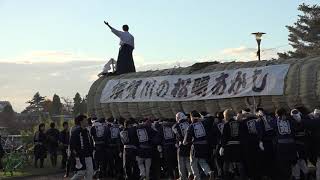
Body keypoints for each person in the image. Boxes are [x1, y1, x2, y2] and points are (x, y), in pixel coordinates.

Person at [183, 110, 214, 180]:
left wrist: (185, 142)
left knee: (193, 162)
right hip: (205, 146)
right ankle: (209, 172)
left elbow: (186, 140)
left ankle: (196, 177)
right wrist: (201, 118)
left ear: (192, 117)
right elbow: (211, 118)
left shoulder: (191, 126)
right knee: (202, 161)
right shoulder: (205, 123)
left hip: (196, 147)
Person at [220, 109, 244, 180]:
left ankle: (226, 177)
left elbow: (224, 137)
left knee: (226, 163)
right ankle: (243, 177)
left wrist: (223, 147)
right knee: (239, 162)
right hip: (238, 146)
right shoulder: (239, 123)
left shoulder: (226, 125)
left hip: (229, 147)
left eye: (224, 116)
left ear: (227, 116)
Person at [273, 108, 297, 180]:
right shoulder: (290, 120)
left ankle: (290, 176)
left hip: (282, 146)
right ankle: (294, 176)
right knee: (292, 162)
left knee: (285, 164)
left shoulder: (275, 121)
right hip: (290, 145)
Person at [240, 109, 263, 180]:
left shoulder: (243, 122)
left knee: (250, 163)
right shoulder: (258, 120)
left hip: (248, 145)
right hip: (258, 143)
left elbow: (241, 135)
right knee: (258, 161)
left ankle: (252, 176)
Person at [70, 115, 94, 180]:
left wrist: (91, 150)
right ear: (81, 122)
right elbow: (72, 145)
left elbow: (90, 143)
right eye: (85, 120)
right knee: (81, 172)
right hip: (81, 156)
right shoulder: (76, 132)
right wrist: (76, 155)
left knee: (90, 173)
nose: (87, 122)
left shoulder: (87, 131)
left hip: (88, 155)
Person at [256, 108, 276, 179]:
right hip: (268, 139)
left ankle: (272, 173)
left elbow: (260, 131)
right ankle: (271, 173)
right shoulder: (259, 120)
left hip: (269, 139)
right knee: (270, 157)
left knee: (271, 157)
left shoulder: (268, 118)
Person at [172, 112, 192, 180]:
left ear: (177, 118)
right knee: (188, 160)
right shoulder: (189, 124)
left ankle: (183, 177)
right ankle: (190, 174)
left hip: (181, 145)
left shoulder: (176, 126)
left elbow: (178, 135)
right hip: (189, 144)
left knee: (181, 162)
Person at [291, 109, 309, 180]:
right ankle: (302, 175)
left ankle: (303, 175)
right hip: (298, 145)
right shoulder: (293, 122)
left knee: (301, 161)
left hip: (301, 145)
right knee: (300, 161)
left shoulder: (304, 121)